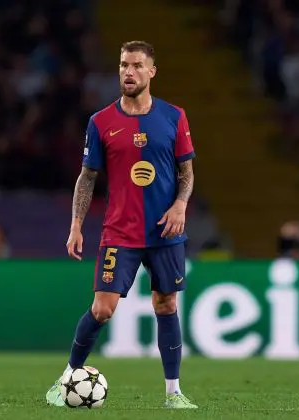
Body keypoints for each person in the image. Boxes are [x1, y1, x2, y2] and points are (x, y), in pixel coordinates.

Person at [45, 40, 198, 409]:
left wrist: (180, 205)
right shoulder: (101, 122)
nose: (128, 72)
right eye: (123, 65)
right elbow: (87, 177)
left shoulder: (174, 117)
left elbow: (187, 172)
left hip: (164, 231)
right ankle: (66, 378)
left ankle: (173, 394)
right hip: (120, 232)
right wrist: (76, 225)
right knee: (102, 309)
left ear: (151, 71)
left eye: (136, 65)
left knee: (166, 304)